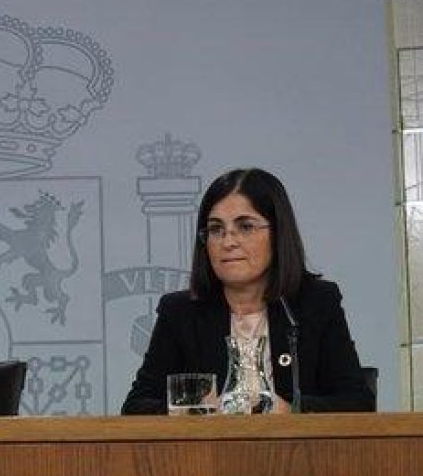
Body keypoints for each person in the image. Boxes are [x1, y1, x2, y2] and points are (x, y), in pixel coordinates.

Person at [122, 168, 373, 414]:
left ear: (277, 234)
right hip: (208, 455)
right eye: (216, 229)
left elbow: (357, 403)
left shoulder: (315, 303)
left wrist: (291, 411)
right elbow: (136, 408)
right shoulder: (181, 313)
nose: (228, 242)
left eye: (245, 227)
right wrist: (199, 410)